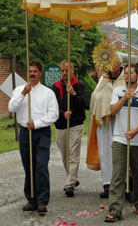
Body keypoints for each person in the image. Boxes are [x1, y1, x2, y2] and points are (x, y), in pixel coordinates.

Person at [105, 64, 138, 222]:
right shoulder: (117, 92)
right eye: (125, 73)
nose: (128, 76)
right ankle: (114, 210)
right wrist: (125, 99)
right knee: (118, 174)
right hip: (119, 138)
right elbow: (112, 111)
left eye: (131, 73)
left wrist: (135, 131)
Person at [9, 60, 59, 213]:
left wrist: (37, 123)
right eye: (30, 71)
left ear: (40, 73)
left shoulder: (48, 93)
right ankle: (31, 199)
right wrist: (23, 94)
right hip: (25, 133)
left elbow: (54, 115)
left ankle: (42, 200)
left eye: (35, 71)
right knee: (28, 166)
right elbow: (11, 107)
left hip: (42, 133)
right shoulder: (19, 90)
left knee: (41, 166)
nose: (32, 74)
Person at [86, 57, 124, 199]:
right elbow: (95, 96)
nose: (112, 66)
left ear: (120, 64)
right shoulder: (103, 80)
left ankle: (123, 183)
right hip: (104, 121)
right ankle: (107, 184)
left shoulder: (124, 78)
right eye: (110, 64)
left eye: (115, 63)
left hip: (120, 120)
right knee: (105, 151)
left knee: (121, 151)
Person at [52, 60, 86, 197]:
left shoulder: (80, 85)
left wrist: (73, 94)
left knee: (73, 153)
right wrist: (62, 114)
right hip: (61, 124)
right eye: (62, 71)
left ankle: (69, 184)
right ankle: (73, 177)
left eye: (67, 70)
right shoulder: (56, 87)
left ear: (73, 70)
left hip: (76, 124)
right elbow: (53, 108)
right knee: (65, 154)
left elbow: (83, 104)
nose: (65, 73)